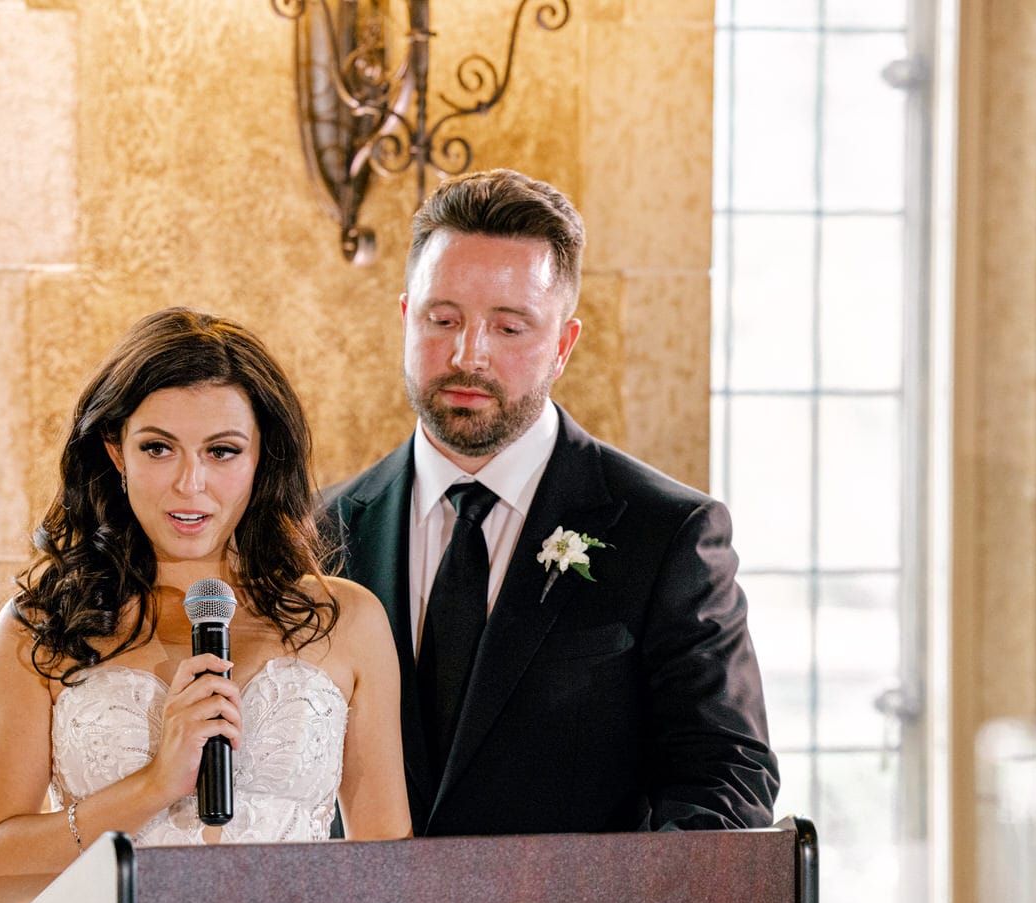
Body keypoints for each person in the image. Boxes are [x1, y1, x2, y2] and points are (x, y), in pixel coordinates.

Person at [322, 169, 779, 836]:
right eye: (442, 318)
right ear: (405, 317)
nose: (467, 353)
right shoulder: (319, 530)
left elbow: (725, 781)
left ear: (563, 346)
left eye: (509, 328)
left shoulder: (669, 534)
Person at [0, 308, 411, 903]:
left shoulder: (345, 619)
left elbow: (387, 876)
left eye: (222, 451)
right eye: (159, 448)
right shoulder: (40, 628)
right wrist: (153, 786)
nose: (191, 484)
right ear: (116, 452)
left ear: (260, 459)